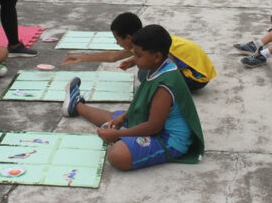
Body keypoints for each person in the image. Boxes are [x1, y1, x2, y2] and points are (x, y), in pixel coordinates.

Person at [61, 24, 205, 171]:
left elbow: (154, 127)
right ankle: (76, 105)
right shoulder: (162, 63)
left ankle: (121, 137)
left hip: (169, 139)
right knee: (114, 118)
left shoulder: (163, 88)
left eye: (138, 55)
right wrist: (125, 116)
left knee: (117, 155)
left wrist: (118, 134)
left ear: (157, 56)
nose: (134, 59)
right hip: (155, 125)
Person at [61, 12, 216, 91]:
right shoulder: (144, 38)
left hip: (198, 78)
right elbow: (114, 56)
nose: (117, 43)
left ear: (128, 37)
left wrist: (152, 91)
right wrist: (82, 57)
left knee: (145, 73)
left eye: (117, 39)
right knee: (145, 67)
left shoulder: (148, 43)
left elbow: (170, 66)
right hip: (199, 70)